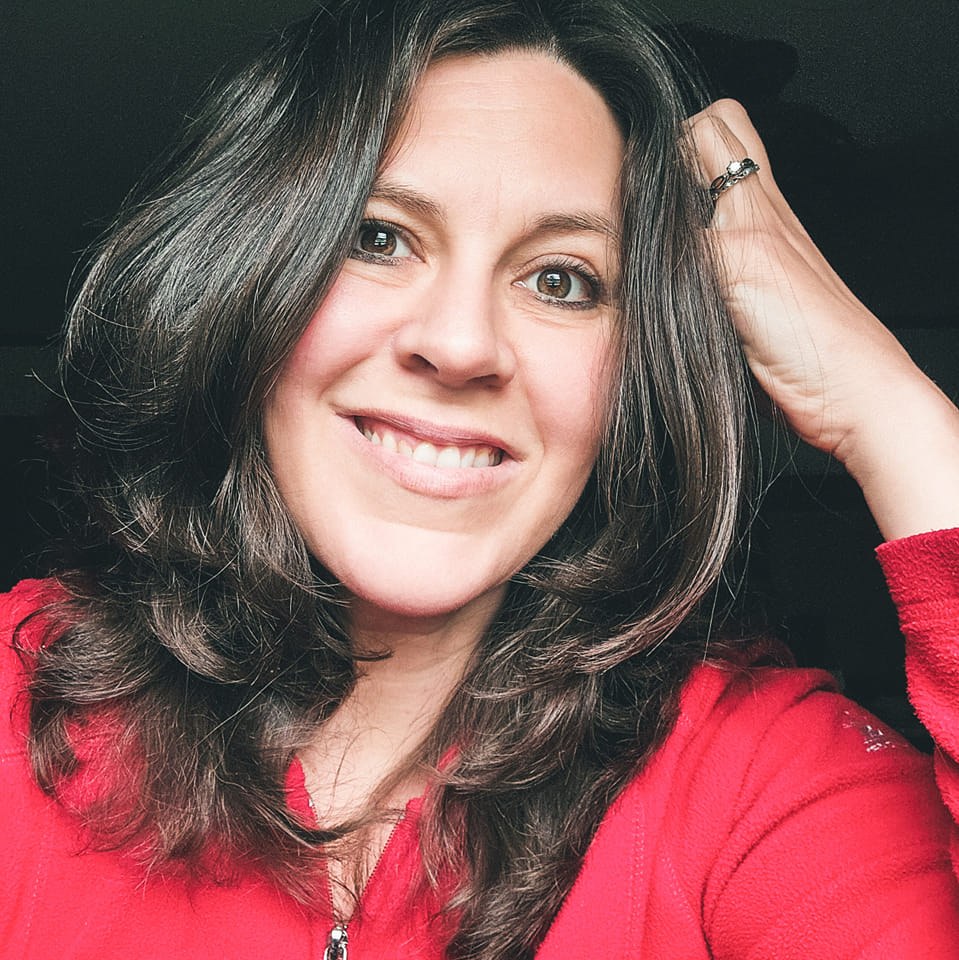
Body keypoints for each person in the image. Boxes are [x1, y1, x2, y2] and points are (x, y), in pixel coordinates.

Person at [3, 1, 958, 957]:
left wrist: (887, 408)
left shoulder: (762, 780)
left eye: (560, 280)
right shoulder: (21, 697)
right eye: (378, 237)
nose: (460, 344)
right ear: (243, 278)